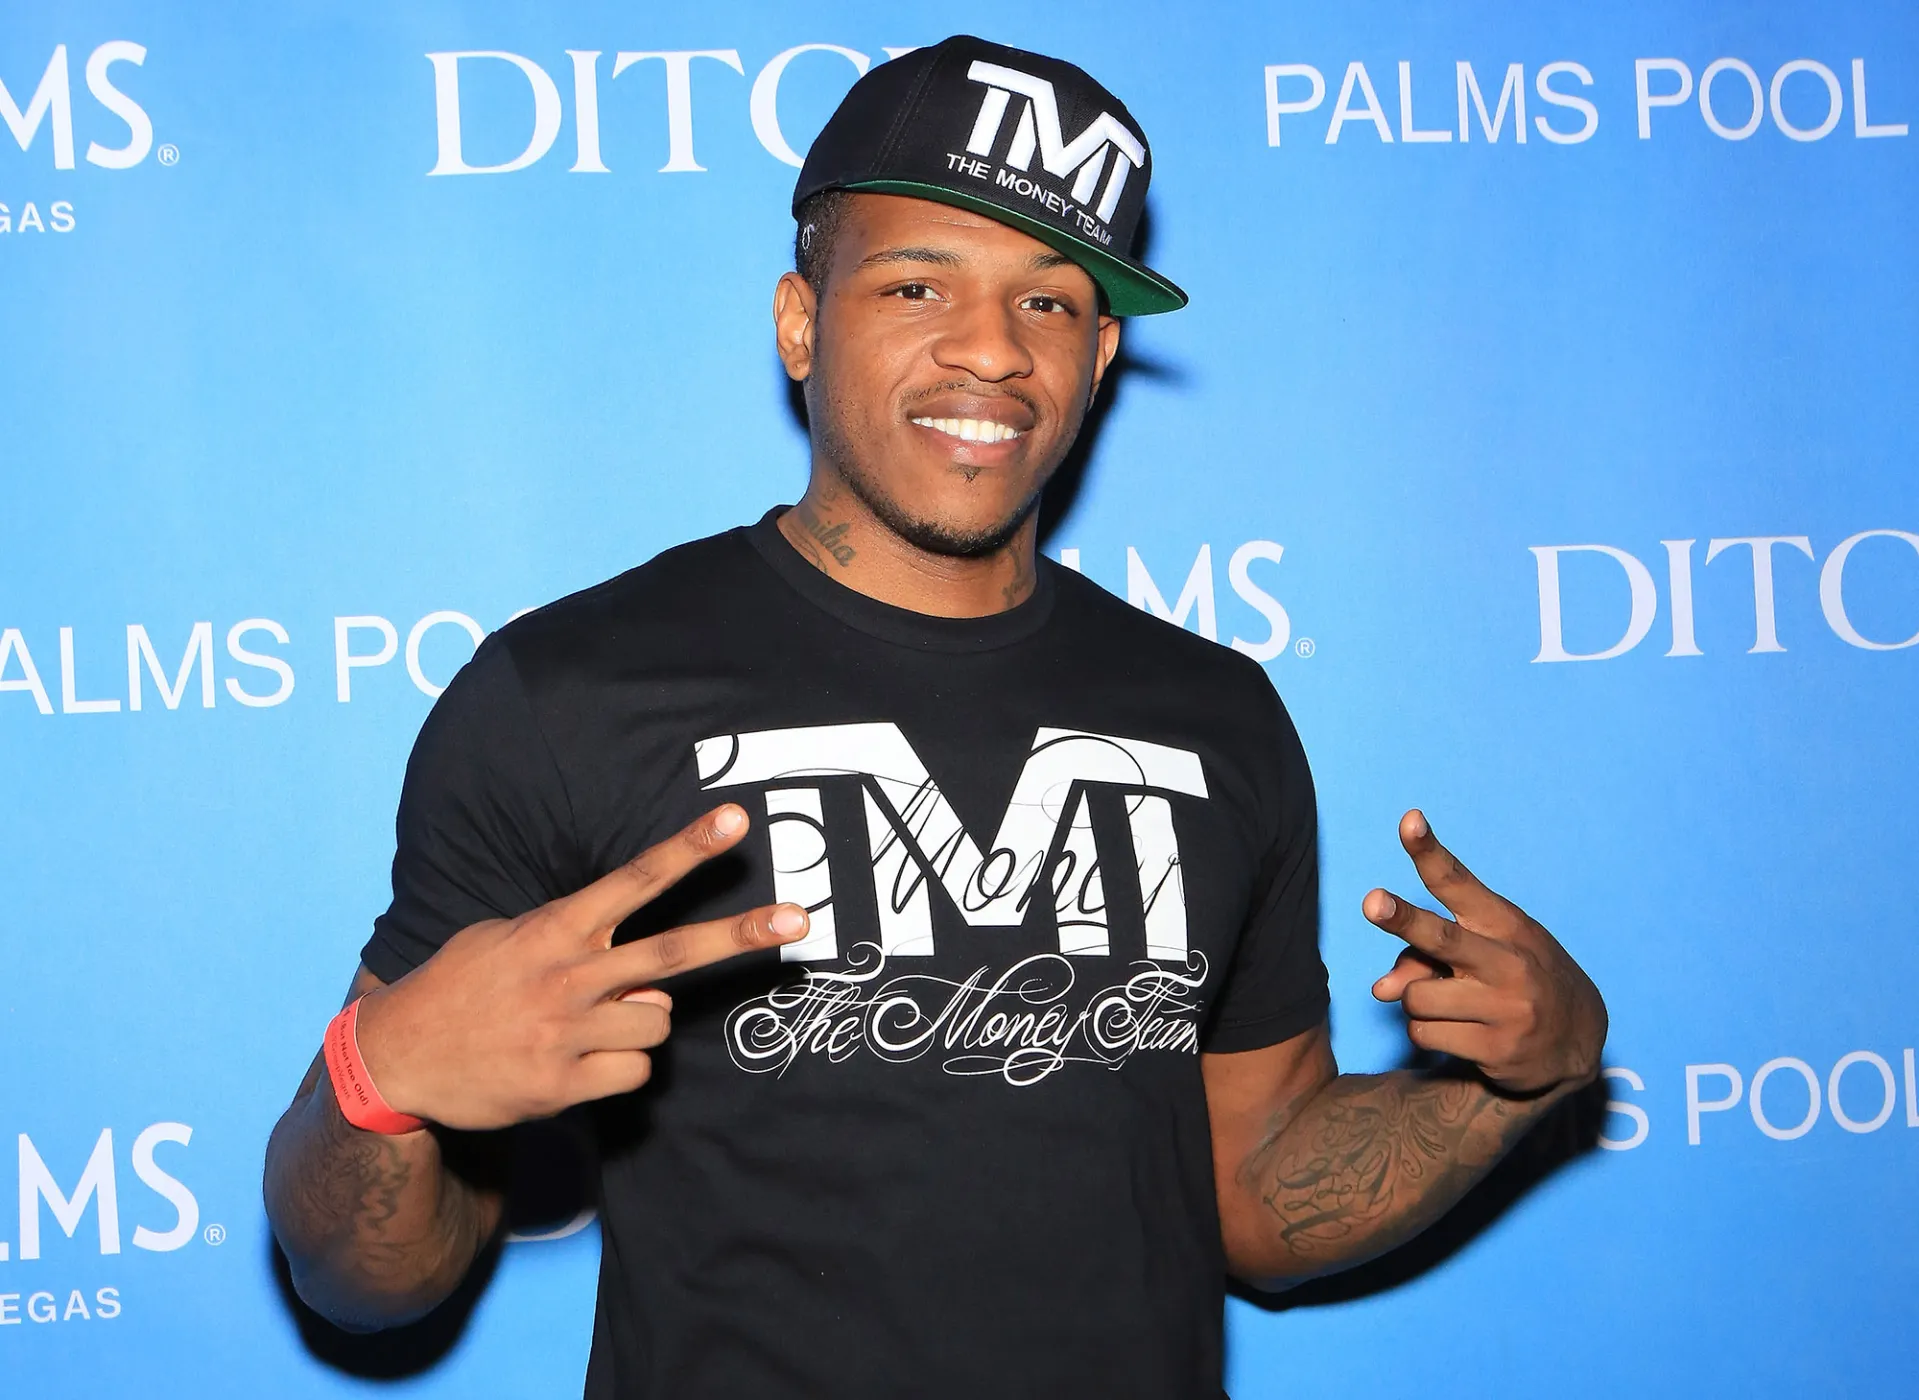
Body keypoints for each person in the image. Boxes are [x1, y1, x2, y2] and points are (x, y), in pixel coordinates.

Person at [264, 34, 1605, 1398]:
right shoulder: (567, 695)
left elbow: (1258, 1198)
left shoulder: (1217, 714)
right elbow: (367, 1280)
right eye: (918, 284)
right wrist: (380, 1081)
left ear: (1100, 354)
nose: (991, 351)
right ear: (800, 321)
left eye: (1049, 301)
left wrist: (1510, 1084)